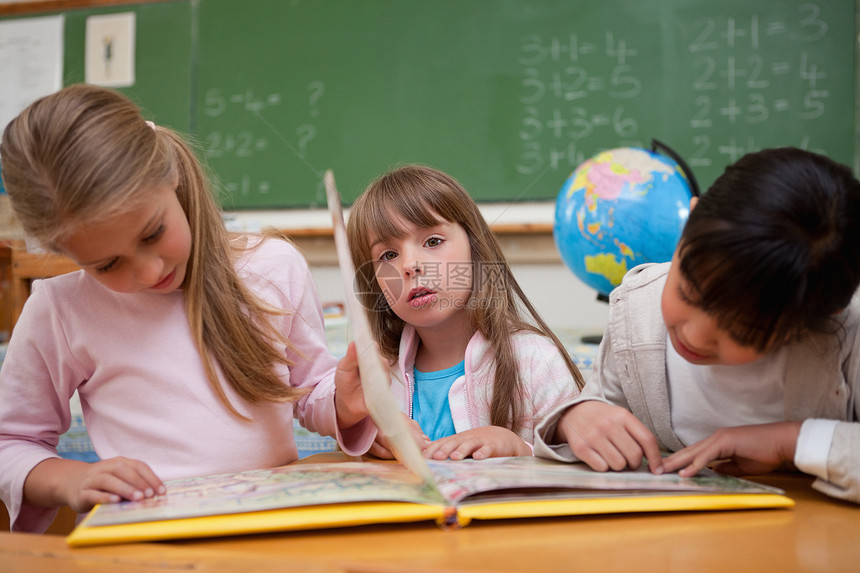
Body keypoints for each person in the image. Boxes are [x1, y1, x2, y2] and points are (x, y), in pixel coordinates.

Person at [0, 85, 374, 533]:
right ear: (64, 250)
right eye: (107, 264)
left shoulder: (273, 267)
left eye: (152, 233)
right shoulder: (59, 309)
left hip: (274, 528)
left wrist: (345, 404)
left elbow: (310, 390)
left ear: (171, 175)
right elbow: (11, 442)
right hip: (148, 545)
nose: (147, 271)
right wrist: (70, 478)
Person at [534, 147, 860, 504]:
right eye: (688, 294)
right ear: (688, 222)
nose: (693, 336)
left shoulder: (847, 337)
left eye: (741, 331)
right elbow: (596, 424)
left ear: (821, 317)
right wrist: (574, 418)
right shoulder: (636, 311)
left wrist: (791, 442)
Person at [344, 165, 584, 461]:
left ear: (475, 249)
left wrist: (520, 449)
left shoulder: (536, 360)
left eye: (433, 241)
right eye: (388, 255)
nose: (410, 265)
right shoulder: (375, 374)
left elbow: (582, 458)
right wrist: (366, 438)